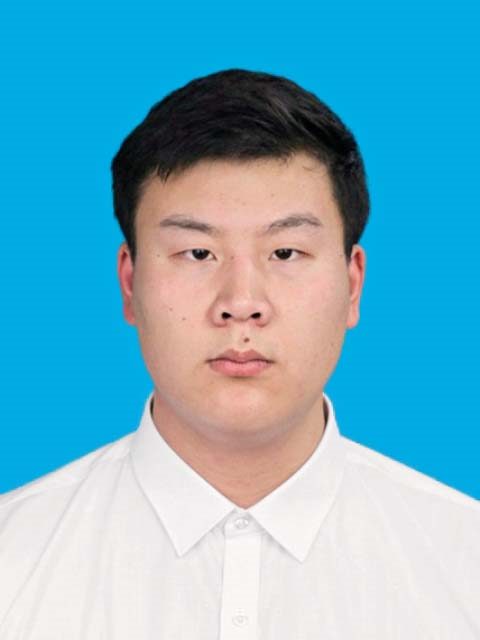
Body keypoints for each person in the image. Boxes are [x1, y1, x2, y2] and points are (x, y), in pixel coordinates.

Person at [0, 69, 478, 639]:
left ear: (353, 284)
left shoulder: (463, 563)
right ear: (129, 283)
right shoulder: (15, 559)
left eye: (286, 252)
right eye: (198, 253)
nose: (242, 303)